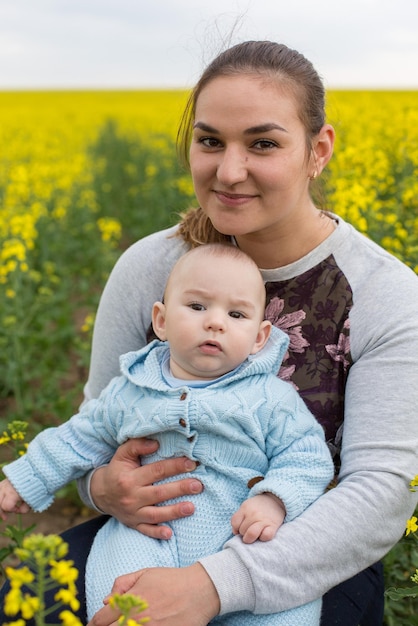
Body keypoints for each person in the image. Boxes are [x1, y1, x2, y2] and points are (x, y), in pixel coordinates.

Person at [1, 39, 418, 626]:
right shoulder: (151, 267)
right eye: (210, 141)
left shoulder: (384, 294)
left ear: (318, 150)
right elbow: (97, 427)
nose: (229, 171)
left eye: (264, 143)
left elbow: (379, 497)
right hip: (150, 533)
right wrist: (102, 490)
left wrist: (212, 587)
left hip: (301, 553)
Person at [0, 243, 334, 624]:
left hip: (242, 540)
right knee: (122, 595)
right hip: (149, 533)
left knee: (283, 611)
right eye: (196, 307)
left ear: (260, 338)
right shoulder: (131, 389)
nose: (215, 322)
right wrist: (27, 479)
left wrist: (274, 500)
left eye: (236, 313)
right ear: (161, 320)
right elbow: (80, 437)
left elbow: (306, 456)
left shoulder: (270, 398)